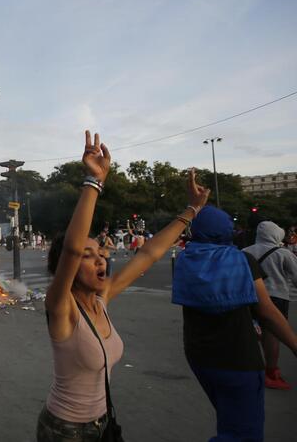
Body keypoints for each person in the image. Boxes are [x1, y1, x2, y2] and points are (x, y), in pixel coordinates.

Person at [38, 132, 209, 442]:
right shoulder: (62, 308)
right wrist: (94, 181)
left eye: (101, 253)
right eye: (88, 257)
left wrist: (192, 210)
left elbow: (149, 254)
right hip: (65, 430)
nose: (101, 259)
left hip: (103, 424)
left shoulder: (101, 299)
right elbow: (72, 249)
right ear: (69, 268)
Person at [173, 207, 297, 440]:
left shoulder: (184, 260)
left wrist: (191, 207)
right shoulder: (241, 260)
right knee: (242, 433)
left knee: (230, 420)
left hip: (199, 356)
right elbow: (266, 311)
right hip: (237, 359)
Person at [242, 221, 297, 389]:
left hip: (249, 297)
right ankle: (271, 372)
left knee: (248, 332)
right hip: (276, 297)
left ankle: (248, 368)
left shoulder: (244, 252)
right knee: (272, 334)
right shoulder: (283, 253)